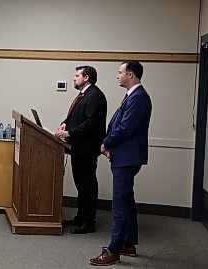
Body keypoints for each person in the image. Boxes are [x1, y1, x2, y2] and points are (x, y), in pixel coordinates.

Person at [90, 61, 152, 266]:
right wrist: (109, 144)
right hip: (124, 154)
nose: (117, 76)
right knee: (126, 200)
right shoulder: (132, 96)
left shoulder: (140, 97)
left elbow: (125, 127)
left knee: (119, 205)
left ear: (131, 75)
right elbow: (119, 123)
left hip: (128, 157)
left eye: (120, 72)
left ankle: (114, 250)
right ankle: (128, 243)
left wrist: (106, 143)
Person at [55, 66, 107, 234]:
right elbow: (78, 116)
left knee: (87, 185)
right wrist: (65, 122)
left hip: (87, 149)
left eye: (77, 75)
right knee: (81, 184)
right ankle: (81, 216)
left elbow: (91, 123)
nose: (74, 78)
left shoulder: (95, 96)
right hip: (78, 148)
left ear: (86, 77)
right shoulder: (84, 94)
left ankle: (88, 221)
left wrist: (69, 132)